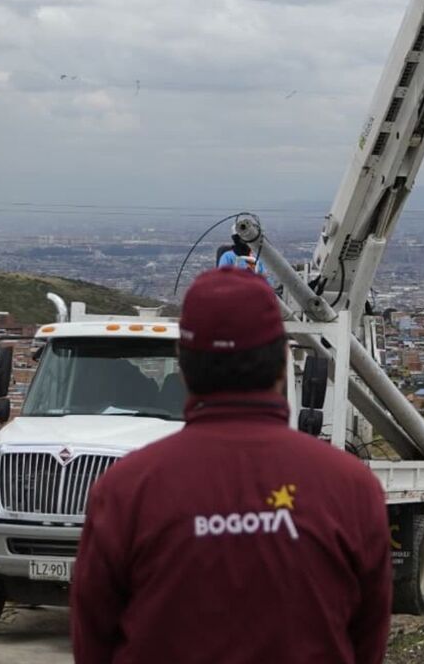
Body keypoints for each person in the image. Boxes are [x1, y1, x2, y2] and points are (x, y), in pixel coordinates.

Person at [71, 268, 392, 664]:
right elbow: (367, 643)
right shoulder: (352, 489)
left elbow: (93, 643)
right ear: (283, 361)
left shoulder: (125, 491)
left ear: (183, 365)